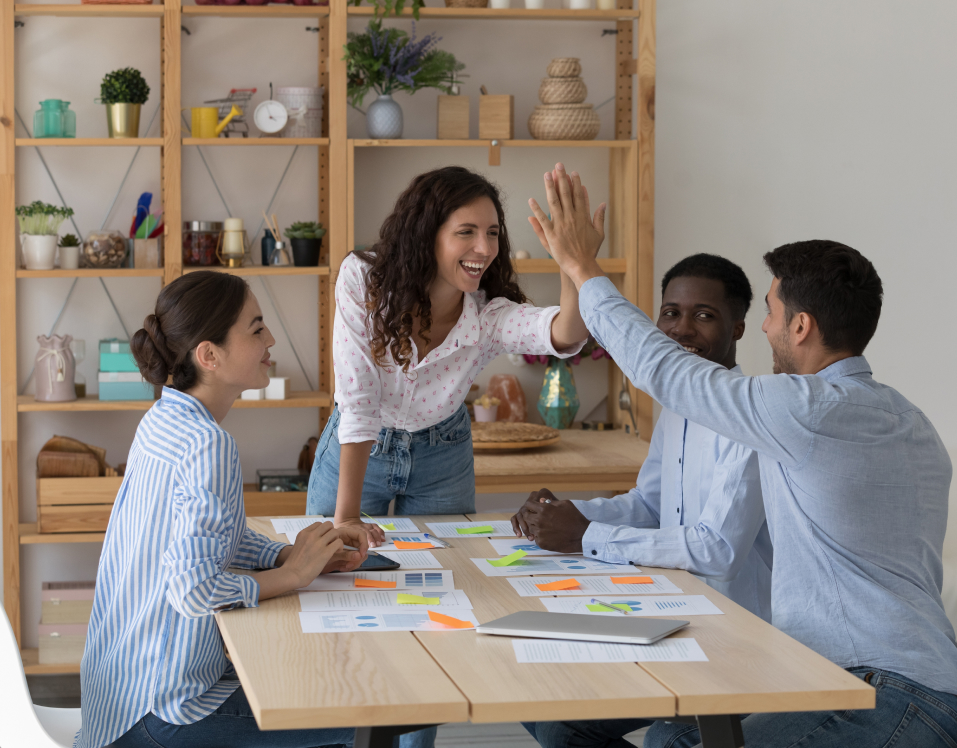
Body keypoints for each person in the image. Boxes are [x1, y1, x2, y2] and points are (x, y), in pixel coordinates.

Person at [524, 163, 957, 747]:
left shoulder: (802, 407)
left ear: (801, 326)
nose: (765, 331)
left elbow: (667, 372)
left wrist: (581, 269)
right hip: (909, 684)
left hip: (876, 693)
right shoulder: (912, 421)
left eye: (773, 314)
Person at [77, 271, 368, 748]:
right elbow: (193, 590)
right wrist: (294, 576)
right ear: (209, 355)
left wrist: (285, 555)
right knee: (352, 712)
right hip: (162, 712)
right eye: (256, 329)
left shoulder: (164, 418)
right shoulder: (208, 445)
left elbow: (203, 537)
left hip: (117, 702)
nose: (271, 338)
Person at [515, 254, 773, 748]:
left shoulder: (750, 415)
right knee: (545, 704)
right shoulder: (676, 405)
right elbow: (650, 506)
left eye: (703, 315)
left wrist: (586, 535)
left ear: (738, 328)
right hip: (671, 619)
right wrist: (569, 515)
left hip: (735, 640)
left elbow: (718, 551)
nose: (681, 330)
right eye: (670, 312)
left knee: (662, 741)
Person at [306, 166, 595, 544]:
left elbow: (566, 332)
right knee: (333, 564)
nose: (486, 248)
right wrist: (346, 519)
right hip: (358, 448)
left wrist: (573, 262)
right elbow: (359, 400)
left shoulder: (488, 315)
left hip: (443, 456)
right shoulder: (364, 280)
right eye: (466, 232)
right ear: (427, 236)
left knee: (447, 570)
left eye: (492, 233)